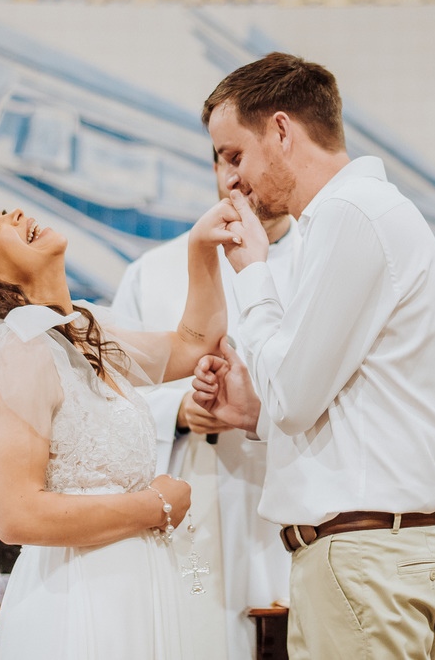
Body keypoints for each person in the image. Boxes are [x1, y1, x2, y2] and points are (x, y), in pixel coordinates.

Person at [191, 52, 435, 660]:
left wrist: (254, 274)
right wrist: (254, 413)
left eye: (235, 154)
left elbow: (292, 397)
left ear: (281, 131)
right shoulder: (360, 213)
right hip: (374, 554)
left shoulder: (350, 213)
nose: (230, 180)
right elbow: (345, 398)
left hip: (363, 557)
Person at [0, 202, 235, 659]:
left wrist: (201, 250)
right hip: (80, 594)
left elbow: (192, 347)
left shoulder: (79, 333)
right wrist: (155, 506)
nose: (15, 214)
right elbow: (16, 514)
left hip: (130, 586)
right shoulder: (18, 351)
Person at [112, 149, 300, 660]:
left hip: (286, 499)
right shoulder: (152, 271)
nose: (235, 175)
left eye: (245, 156)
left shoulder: (320, 260)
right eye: (223, 159)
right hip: (191, 501)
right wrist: (178, 410)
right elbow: (112, 396)